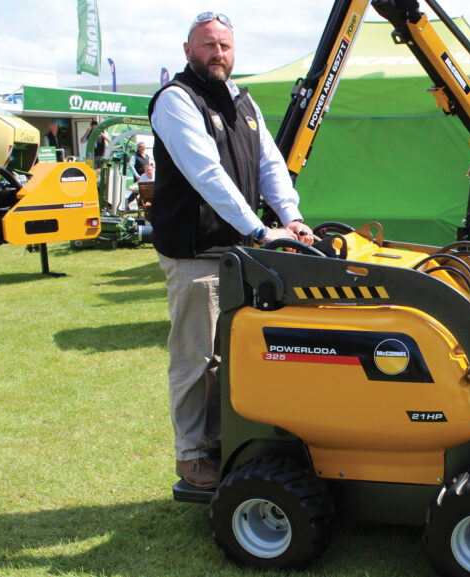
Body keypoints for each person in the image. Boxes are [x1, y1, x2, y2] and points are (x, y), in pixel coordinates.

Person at [149, 11, 315, 489]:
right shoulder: (176, 101)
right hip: (197, 252)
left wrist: (292, 217)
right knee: (196, 358)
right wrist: (260, 230)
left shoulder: (245, 103)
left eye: (223, 45)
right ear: (188, 51)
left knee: (236, 358)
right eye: (206, 46)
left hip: (239, 253)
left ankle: (225, 442)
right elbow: (207, 176)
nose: (217, 54)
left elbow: (271, 166)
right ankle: (192, 454)